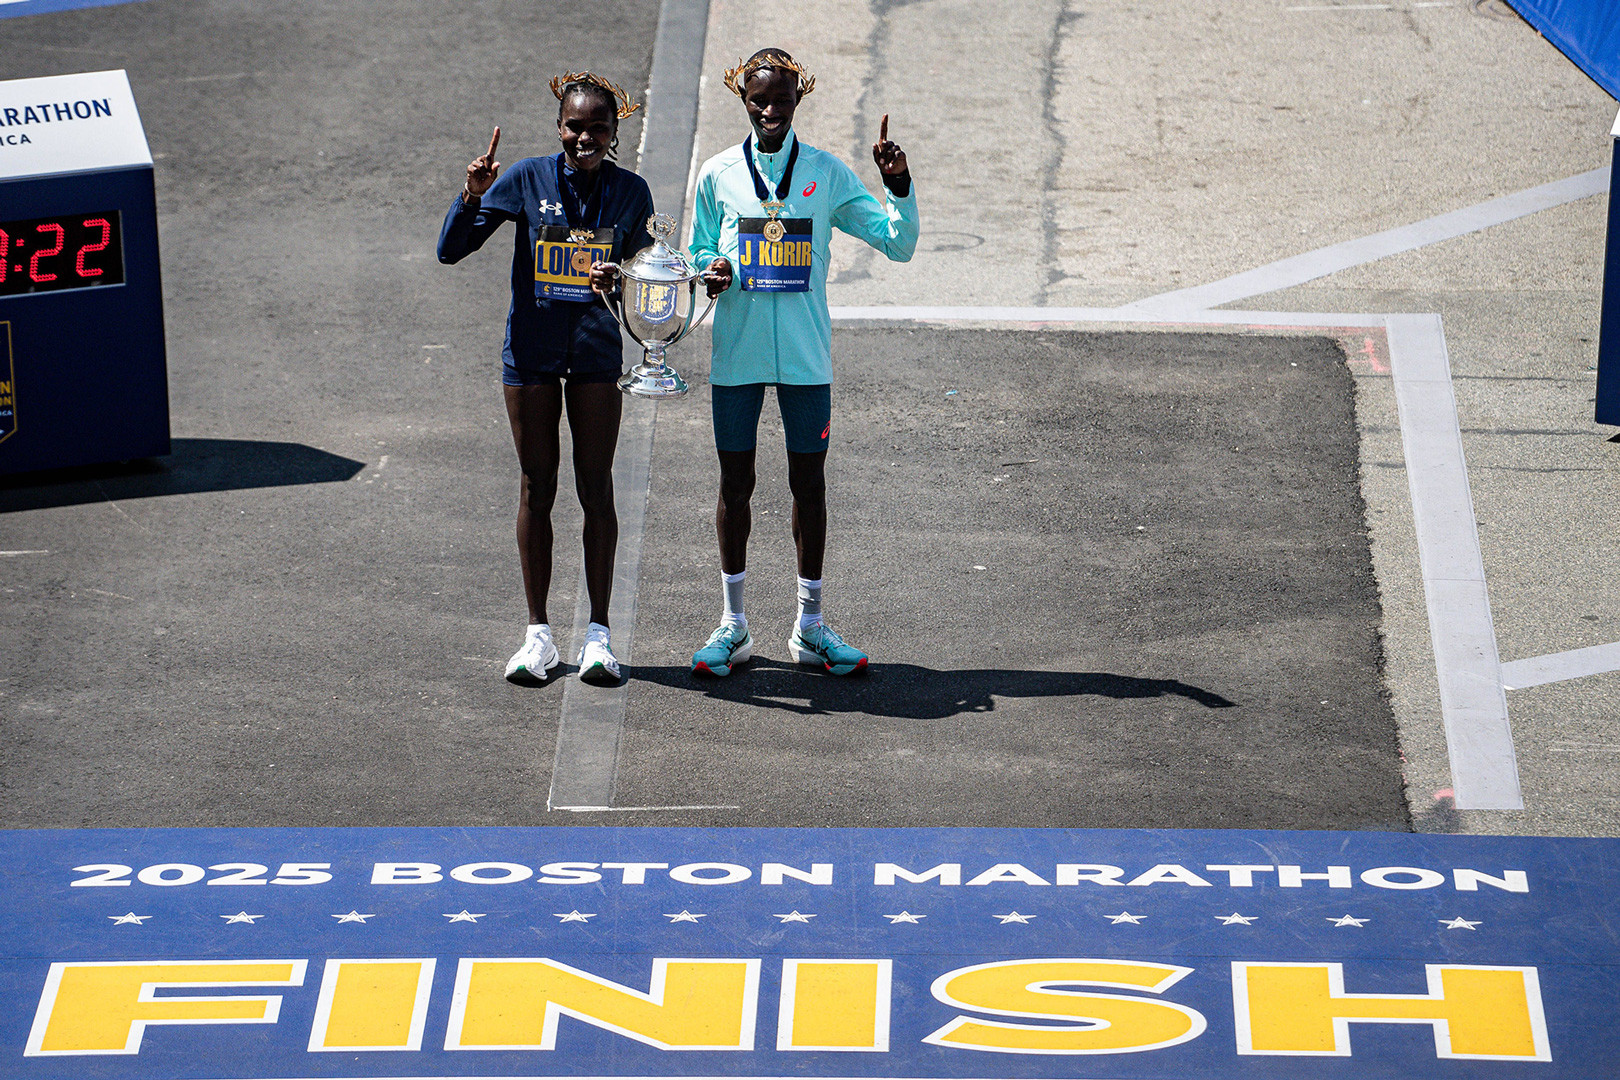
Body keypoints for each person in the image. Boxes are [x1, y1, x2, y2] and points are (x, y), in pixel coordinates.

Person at [688, 49, 918, 677]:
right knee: (736, 486)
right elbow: (699, 249)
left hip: (807, 359)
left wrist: (898, 184)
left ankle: (809, 627)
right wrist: (711, 270)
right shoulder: (716, 175)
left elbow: (897, 243)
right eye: (759, 101)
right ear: (743, 99)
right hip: (737, 353)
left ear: (798, 100)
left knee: (808, 486)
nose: (769, 111)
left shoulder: (826, 172)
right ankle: (733, 625)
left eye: (781, 101)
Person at [437, 72, 655, 685]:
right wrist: (471, 194)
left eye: (598, 128)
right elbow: (451, 250)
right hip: (530, 357)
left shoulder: (631, 192)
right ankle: (538, 637)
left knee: (596, 487)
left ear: (616, 132)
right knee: (537, 485)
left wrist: (627, 280)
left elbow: (648, 278)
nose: (585, 137)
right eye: (575, 126)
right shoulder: (527, 178)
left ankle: (598, 637)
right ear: (560, 127)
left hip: (593, 357)